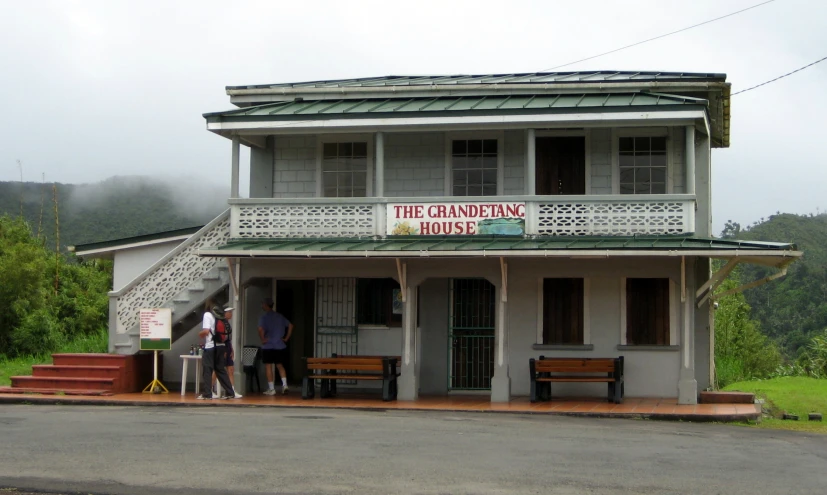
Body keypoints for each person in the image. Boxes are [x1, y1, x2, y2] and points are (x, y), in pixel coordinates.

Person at [197, 305, 242, 400]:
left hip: (211, 346)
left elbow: (206, 331)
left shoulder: (207, 315)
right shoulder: (219, 317)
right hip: (221, 346)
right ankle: (230, 392)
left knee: (207, 369)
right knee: (220, 370)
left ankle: (207, 393)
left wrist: (200, 334)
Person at [258, 297, 293, 395]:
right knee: (280, 366)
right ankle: (285, 385)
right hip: (279, 345)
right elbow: (290, 325)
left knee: (268, 366)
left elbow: (260, 329)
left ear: (265, 305)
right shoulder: (280, 316)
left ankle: (271, 389)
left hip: (268, 345)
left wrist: (263, 339)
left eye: (262, 304)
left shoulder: (264, 317)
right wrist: (286, 338)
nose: (262, 306)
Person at [212, 307, 237, 394]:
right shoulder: (220, 322)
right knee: (218, 369)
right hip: (222, 347)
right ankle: (210, 389)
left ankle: (232, 390)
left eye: (231, 312)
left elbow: (228, 338)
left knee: (230, 368)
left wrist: (231, 349)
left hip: (228, 346)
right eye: (229, 312)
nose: (231, 314)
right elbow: (221, 338)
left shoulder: (227, 323)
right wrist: (224, 350)